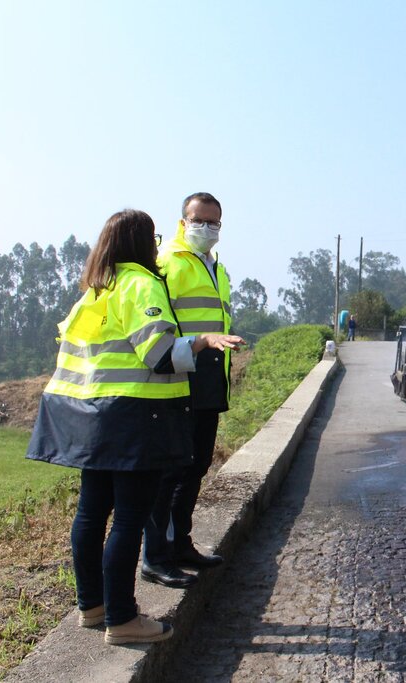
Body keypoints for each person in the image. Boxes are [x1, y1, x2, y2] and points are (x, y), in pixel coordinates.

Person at [26, 209, 244, 645]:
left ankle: (92, 607)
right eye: (152, 236)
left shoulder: (94, 290)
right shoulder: (141, 283)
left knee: (90, 513)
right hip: (134, 419)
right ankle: (123, 619)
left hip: (89, 416)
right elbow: (159, 353)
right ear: (141, 241)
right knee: (128, 518)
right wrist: (201, 342)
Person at [142, 192, 246, 589]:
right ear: (183, 221)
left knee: (196, 466)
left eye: (215, 222)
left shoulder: (216, 268)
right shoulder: (168, 262)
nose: (208, 228)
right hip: (177, 377)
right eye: (200, 220)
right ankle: (156, 556)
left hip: (208, 376)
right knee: (170, 471)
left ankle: (180, 544)